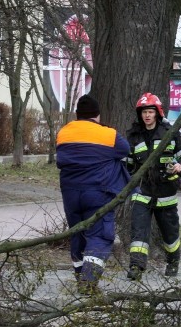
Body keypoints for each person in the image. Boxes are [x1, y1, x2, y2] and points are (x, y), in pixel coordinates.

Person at [56, 94, 130, 293]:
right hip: (98, 191)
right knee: (100, 236)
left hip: (70, 193)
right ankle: (88, 283)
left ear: (77, 114)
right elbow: (125, 150)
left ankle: (80, 276)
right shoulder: (108, 134)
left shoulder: (63, 132)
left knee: (77, 233)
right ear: (97, 115)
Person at [125, 92, 181, 280]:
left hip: (166, 193)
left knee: (170, 234)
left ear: (157, 113)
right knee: (139, 231)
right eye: (144, 112)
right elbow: (127, 164)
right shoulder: (133, 136)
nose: (147, 115)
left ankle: (173, 262)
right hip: (142, 192)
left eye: (150, 111)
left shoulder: (169, 133)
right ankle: (136, 267)